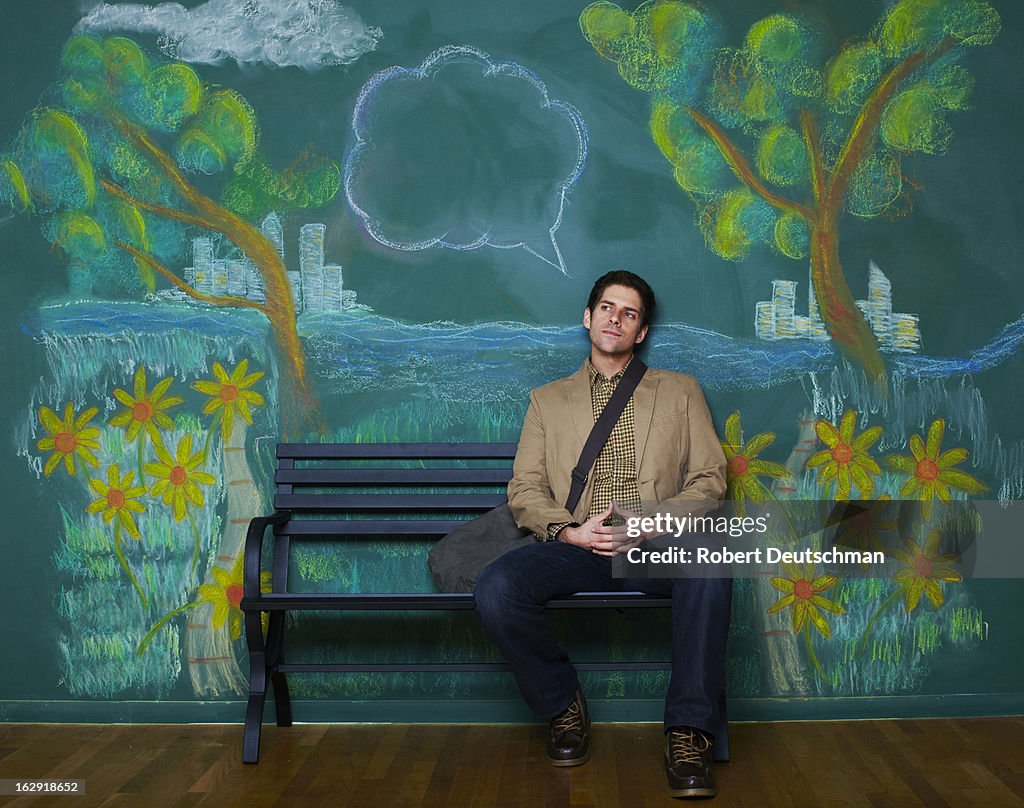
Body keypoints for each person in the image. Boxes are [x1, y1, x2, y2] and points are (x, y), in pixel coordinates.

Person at [474, 270, 731, 799]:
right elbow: (524, 489)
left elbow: (710, 482)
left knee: (710, 563)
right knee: (497, 588)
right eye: (607, 308)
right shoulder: (547, 400)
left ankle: (689, 733)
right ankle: (561, 704)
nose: (616, 317)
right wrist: (569, 532)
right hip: (577, 545)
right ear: (588, 318)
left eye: (629, 313)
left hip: (653, 543)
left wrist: (644, 521)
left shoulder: (681, 392)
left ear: (640, 332)